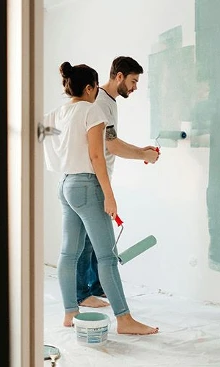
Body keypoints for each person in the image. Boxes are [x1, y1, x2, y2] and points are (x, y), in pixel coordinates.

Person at [43, 61, 158, 335]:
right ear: (90, 87)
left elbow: (43, 134)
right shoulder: (91, 110)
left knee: (68, 253)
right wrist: (110, 196)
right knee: (107, 256)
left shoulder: (59, 112)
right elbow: (97, 156)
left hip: (65, 184)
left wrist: (62, 154)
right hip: (86, 185)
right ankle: (125, 320)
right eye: (95, 89)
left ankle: (70, 312)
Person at [76, 56, 160, 308]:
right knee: (87, 240)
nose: (135, 87)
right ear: (119, 76)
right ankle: (82, 293)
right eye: (133, 81)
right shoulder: (101, 102)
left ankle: (96, 286)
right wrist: (143, 155)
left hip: (96, 179)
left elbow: (111, 141)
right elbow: (110, 144)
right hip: (91, 180)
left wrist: (140, 150)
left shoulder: (108, 102)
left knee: (93, 239)